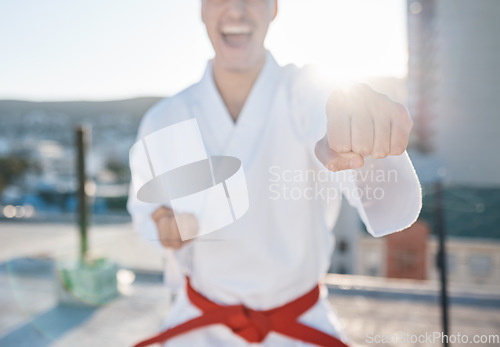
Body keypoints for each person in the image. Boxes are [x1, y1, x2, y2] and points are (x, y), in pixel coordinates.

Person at [127, 0, 422, 346]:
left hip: (300, 327)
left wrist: (355, 129)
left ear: (274, 8)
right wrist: (163, 225)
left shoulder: (304, 92)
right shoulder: (164, 119)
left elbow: (326, 104)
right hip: (197, 327)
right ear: (202, 8)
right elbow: (146, 211)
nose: (236, 11)